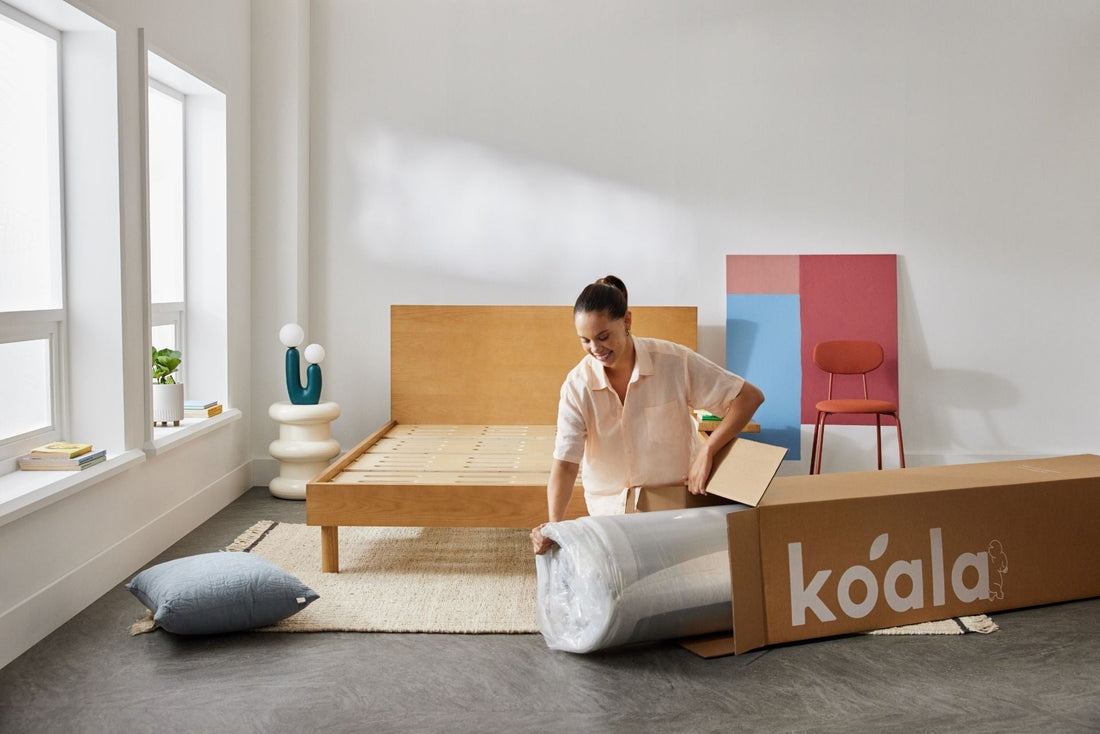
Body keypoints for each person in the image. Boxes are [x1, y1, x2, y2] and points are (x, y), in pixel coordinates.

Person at [530, 275, 765, 554]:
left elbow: (748, 397)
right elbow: (566, 465)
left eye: (603, 337)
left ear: (627, 321)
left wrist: (708, 450)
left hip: (675, 507)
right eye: (586, 340)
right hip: (610, 513)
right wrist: (555, 526)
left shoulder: (674, 362)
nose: (596, 349)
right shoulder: (577, 386)